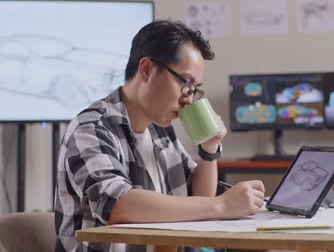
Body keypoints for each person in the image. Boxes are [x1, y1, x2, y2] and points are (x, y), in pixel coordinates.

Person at [54, 19, 266, 252]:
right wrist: (221, 205)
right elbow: (118, 205)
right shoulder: (91, 128)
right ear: (146, 69)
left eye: (194, 89)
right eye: (185, 83)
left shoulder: (160, 131)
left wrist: (208, 149)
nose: (188, 98)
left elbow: (197, 198)